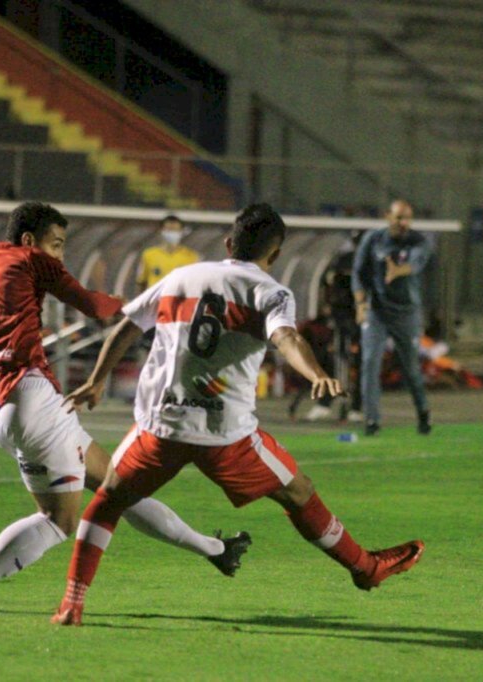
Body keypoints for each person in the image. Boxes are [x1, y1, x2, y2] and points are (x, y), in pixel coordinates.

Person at [52, 203, 424, 626]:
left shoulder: (181, 277)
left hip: (162, 426)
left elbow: (127, 326)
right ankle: (365, 567)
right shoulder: (270, 293)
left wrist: (97, 380)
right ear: (276, 254)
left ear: (229, 243)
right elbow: (285, 338)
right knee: (299, 492)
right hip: (226, 435)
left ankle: (71, 604)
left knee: (107, 503)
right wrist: (316, 372)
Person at [0, 201, 250, 610]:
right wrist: (137, 305)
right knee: (59, 521)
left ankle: (215, 549)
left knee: (119, 485)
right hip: (32, 398)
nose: (59, 256)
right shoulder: (31, 259)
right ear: (30, 240)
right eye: (57, 244)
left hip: (2, 411)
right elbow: (93, 305)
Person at [351, 199, 432, 436]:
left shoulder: (418, 241)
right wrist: (359, 304)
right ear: (388, 216)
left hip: (406, 313)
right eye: (399, 218)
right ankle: (372, 421)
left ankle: (423, 412)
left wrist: (398, 270)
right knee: (369, 363)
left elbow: (415, 264)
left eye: (408, 218)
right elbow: (358, 272)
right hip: (376, 312)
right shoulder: (373, 240)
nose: (404, 223)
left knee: (410, 368)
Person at [321, 231, 363, 422]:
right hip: (346, 319)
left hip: (360, 320)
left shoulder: (365, 262)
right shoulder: (345, 260)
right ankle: (338, 404)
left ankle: (353, 406)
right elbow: (328, 283)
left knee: (356, 364)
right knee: (340, 361)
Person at [135, 214, 199, 294]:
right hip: (156, 302)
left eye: (175, 230)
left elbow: (195, 284)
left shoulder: (191, 256)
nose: (172, 233)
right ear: (161, 231)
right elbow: (141, 282)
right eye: (169, 229)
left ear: (181, 232)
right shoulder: (149, 254)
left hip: (178, 301)